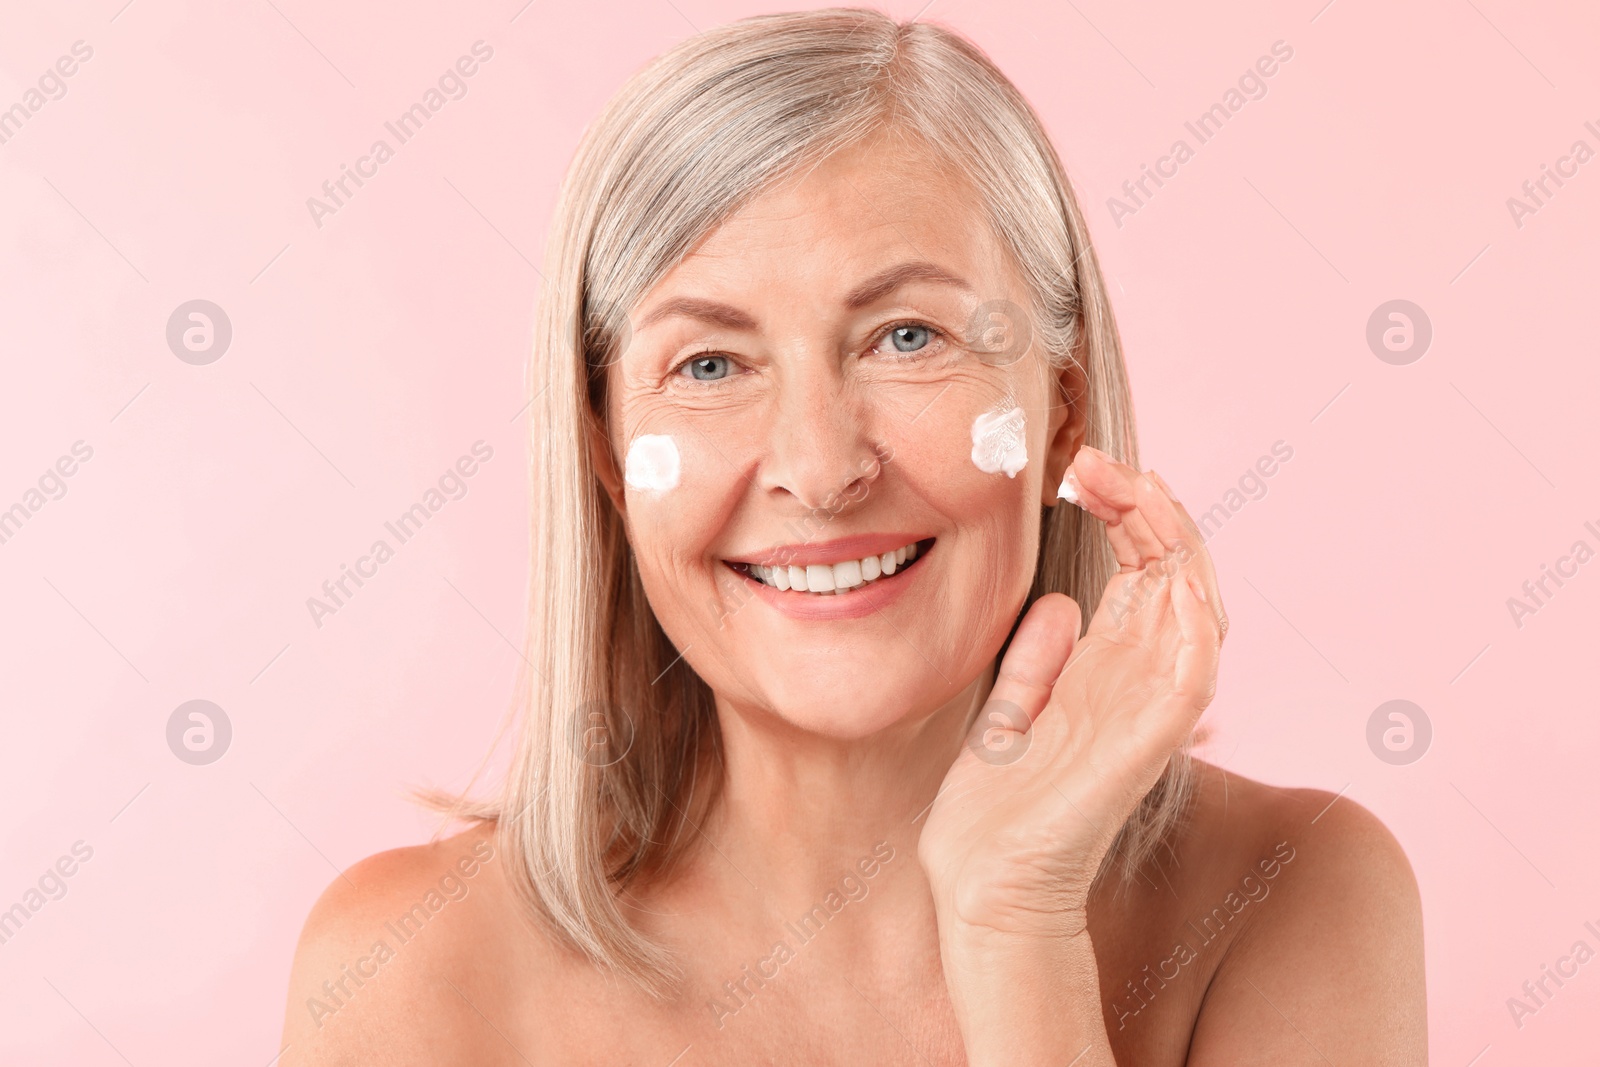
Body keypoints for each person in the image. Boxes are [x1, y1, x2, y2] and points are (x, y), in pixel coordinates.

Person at [280, 9, 1425, 1063]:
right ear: (608, 456)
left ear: (1059, 409)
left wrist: (1012, 919)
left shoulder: (1288, 895)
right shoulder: (412, 973)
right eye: (711, 364)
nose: (821, 470)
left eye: (908, 337)